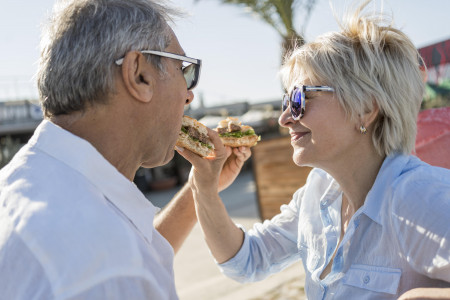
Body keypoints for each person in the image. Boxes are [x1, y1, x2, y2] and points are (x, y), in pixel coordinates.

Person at [178, 1, 450, 299]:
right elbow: (246, 262)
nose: (284, 118)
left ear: (365, 108)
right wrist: (203, 188)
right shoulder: (319, 192)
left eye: (299, 99)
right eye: (286, 102)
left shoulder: (422, 197)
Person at [0, 0, 248, 299]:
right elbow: (120, 260)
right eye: (183, 69)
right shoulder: (109, 269)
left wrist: (199, 188)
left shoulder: (31, 183)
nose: (189, 95)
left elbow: (138, 246)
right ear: (138, 74)